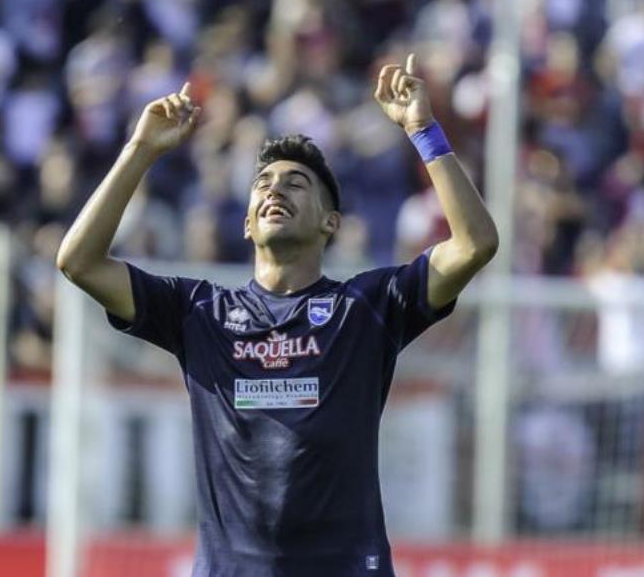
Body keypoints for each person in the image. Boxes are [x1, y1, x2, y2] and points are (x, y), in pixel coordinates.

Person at [56, 53, 498, 576]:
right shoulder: (201, 313)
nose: (274, 189)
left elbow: (474, 244)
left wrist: (423, 131)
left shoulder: (367, 308)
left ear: (330, 222)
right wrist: (140, 150)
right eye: (263, 182)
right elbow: (78, 262)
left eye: (296, 183)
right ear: (247, 223)